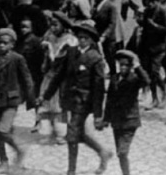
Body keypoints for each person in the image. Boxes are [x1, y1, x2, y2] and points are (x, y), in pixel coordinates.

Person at [42, 22, 113, 175]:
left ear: (91, 41)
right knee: (80, 133)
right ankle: (103, 152)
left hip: (84, 102)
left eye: (85, 38)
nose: (81, 41)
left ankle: (71, 171)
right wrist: (46, 96)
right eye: (79, 37)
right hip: (69, 99)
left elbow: (99, 89)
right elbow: (59, 76)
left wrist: (98, 114)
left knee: (72, 135)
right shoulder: (71, 52)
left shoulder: (95, 59)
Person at [0, 27, 37, 173]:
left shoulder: (17, 58)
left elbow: (27, 79)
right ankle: (3, 161)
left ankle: (19, 150)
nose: (1, 45)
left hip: (11, 101)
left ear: (12, 44)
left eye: (5, 43)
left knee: (3, 130)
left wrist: (31, 100)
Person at [99, 49, 149, 175]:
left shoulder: (134, 79)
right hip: (117, 121)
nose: (123, 68)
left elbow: (147, 81)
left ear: (131, 67)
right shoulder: (114, 78)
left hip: (130, 121)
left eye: (126, 65)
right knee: (120, 154)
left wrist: (138, 66)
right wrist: (106, 119)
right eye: (121, 65)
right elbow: (109, 100)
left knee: (122, 152)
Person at [38, 10, 77, 145]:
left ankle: (62, 132)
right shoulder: (50, 37)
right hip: (49, 76)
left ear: (63, 25)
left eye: (55, 25)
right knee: (46, 103)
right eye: (51, 25)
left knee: (60, 107)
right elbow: (46, 63)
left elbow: (62, 62)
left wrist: (50, 50)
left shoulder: (69, 40)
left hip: (62, 78)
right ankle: (46, 131)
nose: (52, 28)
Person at [138, 0, 166, 108]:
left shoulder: (162, 12)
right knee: (149, 73)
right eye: (148, 1)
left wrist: (154, 25)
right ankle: (155, 97)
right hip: (147, 46)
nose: (149, 3)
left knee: (155, 71)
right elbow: (145, 29)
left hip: (159, 47)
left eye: (152, 1)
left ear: (157, 1)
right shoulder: (146, 12)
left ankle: (164, 93)